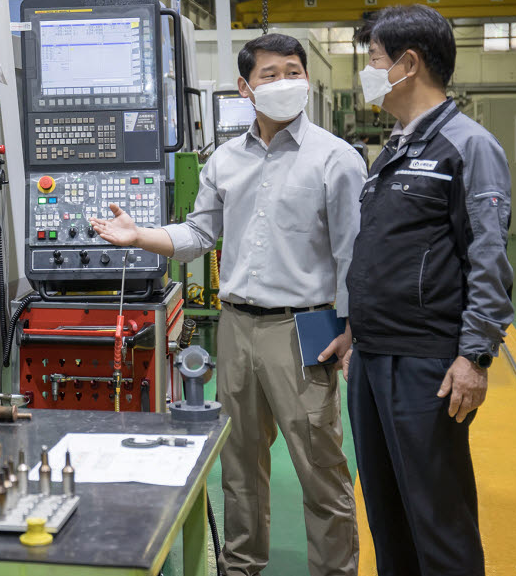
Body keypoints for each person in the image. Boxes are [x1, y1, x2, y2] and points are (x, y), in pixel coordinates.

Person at [90, 33, 364, 576]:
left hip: (306, 327)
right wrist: (141, 235)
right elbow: (199, 233)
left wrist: (355, 331)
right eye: (270, 74)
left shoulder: (337, 159)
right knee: (239, 467)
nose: (284, 82)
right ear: (245, 87)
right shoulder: (224, 161)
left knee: (320, 468)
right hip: (237, 327)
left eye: (293, 71)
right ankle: (241, 567)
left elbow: (355, 254)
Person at [340, 4, 513, 576]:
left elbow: (487, 257)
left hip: (426, 364)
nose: (365, 71)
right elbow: (385, 251)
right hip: (372, 355)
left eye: (372, 60)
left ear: (407, 64)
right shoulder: (395, 147)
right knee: (387, 517)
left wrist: (475, 355)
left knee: (437, 518)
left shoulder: (468, 145)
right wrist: (354, 332)